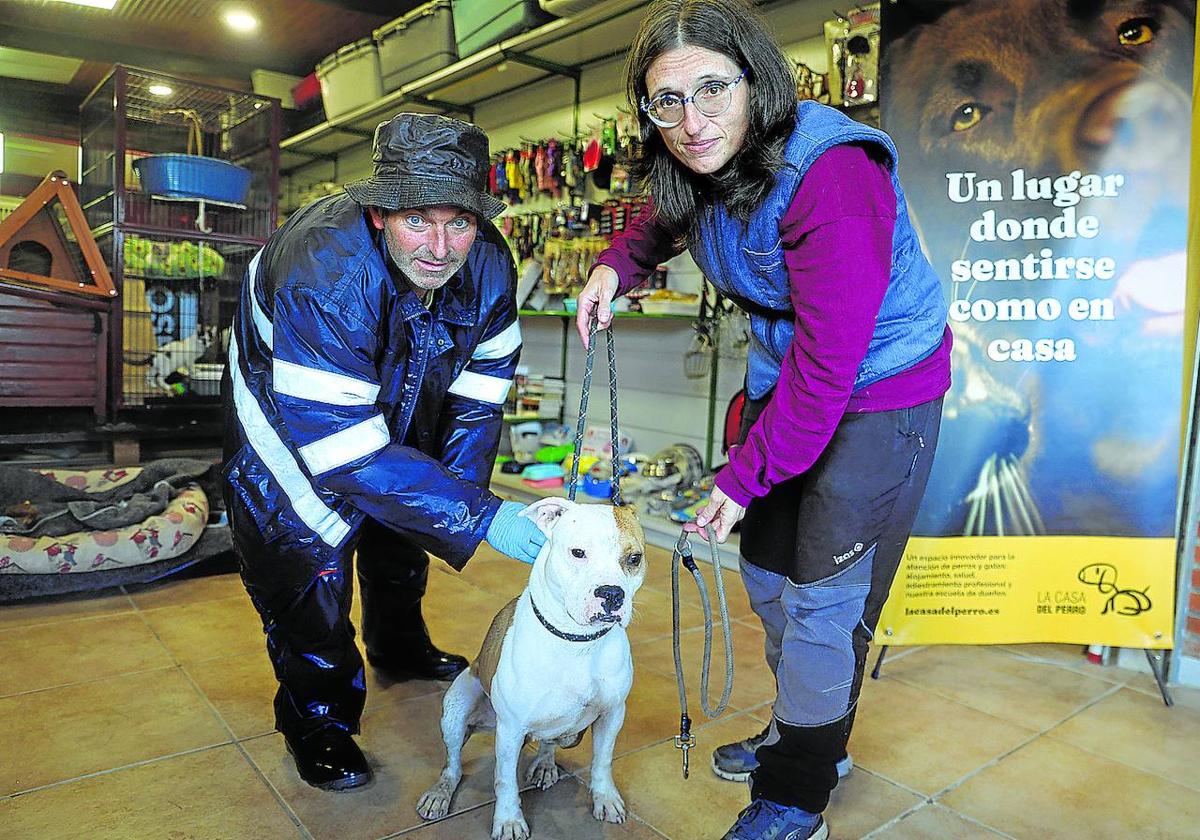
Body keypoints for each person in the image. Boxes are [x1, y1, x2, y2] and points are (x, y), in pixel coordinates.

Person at [575, 2, 951, 838]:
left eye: (713, 90)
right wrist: (614, 266)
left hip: (879, 390)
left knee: (825, 599)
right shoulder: (700, 157)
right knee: (772, 578)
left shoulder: (833, 173)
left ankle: (799, 791)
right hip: (796, 382)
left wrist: (743, 477)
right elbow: (664, 215)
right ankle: (806, 734)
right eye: (665, 101)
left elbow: (831, 365)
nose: (691, 120)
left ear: (757, 81)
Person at [222, 113, 546, 792]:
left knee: (407, 519)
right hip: (288, 411)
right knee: (304, 555)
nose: (440, 246)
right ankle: (320, 720)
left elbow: (479, 403)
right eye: (418, 221)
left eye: (459, 222)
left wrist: (455, 503)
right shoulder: (324, 267)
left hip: (406, 388)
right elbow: (341, 448)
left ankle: (398, 646)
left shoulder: (489, 264)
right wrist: (484, 517)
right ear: (379, 213)